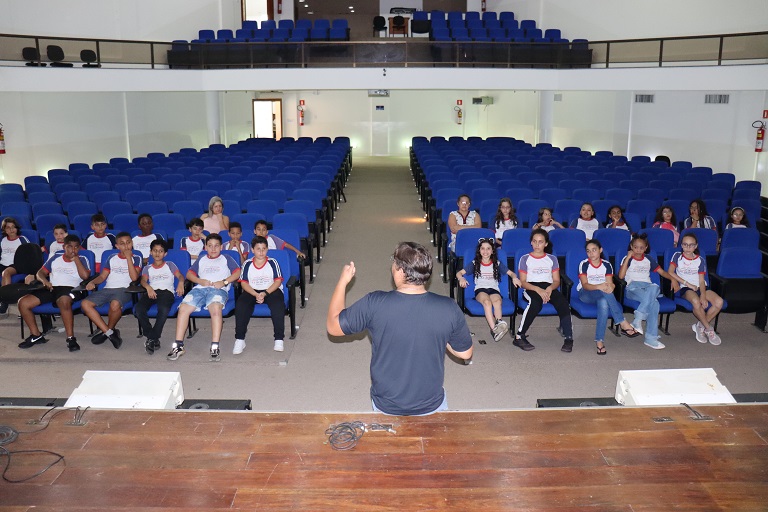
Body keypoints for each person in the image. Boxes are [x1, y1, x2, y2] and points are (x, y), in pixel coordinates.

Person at [326, 241, 473, 416]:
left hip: (386, 406)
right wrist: (441, 332)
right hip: (431, 405)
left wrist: (343, 282)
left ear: (401, 270)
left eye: (394, 263)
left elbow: (333, 326)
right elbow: (465, 354)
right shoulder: (448, 307)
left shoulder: (374, 303)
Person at [167, 233, 240, 362]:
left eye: (216, 246)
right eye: (210, 246)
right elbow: (189, 274)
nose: (213, 249)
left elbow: (238, 272)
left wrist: (224, 282)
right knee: (183, 308)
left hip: (218, 290)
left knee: (215, 309)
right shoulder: (201, 259)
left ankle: (215, 346)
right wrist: (200, 281)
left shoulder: (226, 258)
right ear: (205, 247)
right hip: (199, 289)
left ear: (221, 247)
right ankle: (178, 346)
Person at [17, 234, 91, 352]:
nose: (73, 250)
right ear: (64, 247)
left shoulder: (82, 259)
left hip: (71, 289)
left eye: (76, 247)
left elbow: (85, 276)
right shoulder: (56, 257)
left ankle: (70, 338)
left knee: (64, 301)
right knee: (23, 302)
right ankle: (36, 335)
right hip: (52, 288)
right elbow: (40, 273)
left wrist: (76, 260)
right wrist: (45, 281)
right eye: (69, 247)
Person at [618, 233, 684, 350]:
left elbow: (662, 272)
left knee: (655, 287)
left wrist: (673, 279)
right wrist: (628, 258)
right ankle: (650, 338)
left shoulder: (648, 259)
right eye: (635, 247)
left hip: (648, 287)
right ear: (631, 247)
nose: (638, 250)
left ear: (646, 248)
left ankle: (638, 320)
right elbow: (621, 276)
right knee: (655, 303)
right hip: (633, 288)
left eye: (641, 248)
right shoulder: (628, 259)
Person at [577, 239, 641, 355]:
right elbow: (585, 285)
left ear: (600, 250)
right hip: (585, 294)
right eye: (588, 251)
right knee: (604, 291)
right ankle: (622, 321)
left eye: (594, 250)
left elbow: (610, 284)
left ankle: (599, 341)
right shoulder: (584, 264)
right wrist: (600, 286)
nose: (591, 254)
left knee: (603, 302)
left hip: (602, 294)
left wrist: (611, 286)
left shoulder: (607, 265)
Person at [515, 229, 573, 352]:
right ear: (531, 242)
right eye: (534, 241)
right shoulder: (525, 259)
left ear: (546, 244)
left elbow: (556, 281)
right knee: (535, 303)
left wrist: (550, 288)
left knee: (563, 303)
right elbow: (523, 282)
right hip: (531, 288)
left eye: (540, 242)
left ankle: (568, 338)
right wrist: (538, 289)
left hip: (548, 287)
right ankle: (519, 336)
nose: (537, 244)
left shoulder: (552, 259)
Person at [81, 232, 142, 349]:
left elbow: (134, 278)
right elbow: (102, 276)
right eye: (122, 244)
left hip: (124, 289)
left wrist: (129, 258)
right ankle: (110, 333)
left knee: (115, 304)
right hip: (108, 289)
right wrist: (93, 282)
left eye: (128, 243)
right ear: (117, 246)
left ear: (132, 243)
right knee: (85, 304)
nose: (126, 246)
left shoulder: (136, 257)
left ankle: (106, 332)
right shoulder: (112, 258)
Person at [456, 237, 521, 342]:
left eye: (488, 248)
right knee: (487, 302)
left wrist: (514, 278)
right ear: (479, 250)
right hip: (481, 289)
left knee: (497, 301)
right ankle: (494, 330)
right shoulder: (475, 263)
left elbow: (511, 273)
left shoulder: (497, 263)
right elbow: (459, 273)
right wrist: (461, 278)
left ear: (492, 251)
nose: (485, 251)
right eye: (483, 248)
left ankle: (499, 323)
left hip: (494, 289)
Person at [667, 232, 724, 345]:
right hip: (685, 288)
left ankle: (700, 326)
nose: (688, 248)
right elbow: (670, 272)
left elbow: (702, 280)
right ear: (681, 245)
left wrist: (703, 295)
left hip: (700, 287)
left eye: (691, 245)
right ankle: (709, 329)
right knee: (695, 301)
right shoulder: (677, 256)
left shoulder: (700, 260)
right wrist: (687, 284)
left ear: (696, 246)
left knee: (719, 302)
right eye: (685, 244)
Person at [233, 236, 286, 354]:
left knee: (278, 306)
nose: (261, 252)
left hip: (271, 290)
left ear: (267, 249)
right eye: (258, 249)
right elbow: (244, 283)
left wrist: (265, 293)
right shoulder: (247, 264)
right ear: (252, 250)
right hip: (252, 291)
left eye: (264, 249)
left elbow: (277, 281)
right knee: (241, 305)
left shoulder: (273, 262)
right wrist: (255, 294)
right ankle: (240, 339)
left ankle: (279, 338)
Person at [134, 239, 185, 355]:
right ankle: (153, 337)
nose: (157, 253)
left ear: (165, 253)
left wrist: (181, 282)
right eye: (155, 251)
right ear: (151, 252)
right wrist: (148, 287)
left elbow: (180, 276)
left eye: (161, 251)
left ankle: (152, 338)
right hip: (151, 291)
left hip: (166, 293)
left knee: (163, 309)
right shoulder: (147, 268)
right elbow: (143, 280)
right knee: (139, 309)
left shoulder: (169, 265)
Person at [0, 217, 32, 314]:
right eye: (8, 227)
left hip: (16, 264)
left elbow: (30, 254)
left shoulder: (22, 239)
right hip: (3, 263)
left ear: (17, 228)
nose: (11, 229)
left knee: (6, 273)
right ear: (4, 230)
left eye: (13, 227)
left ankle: (4, 302)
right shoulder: (3, 240)